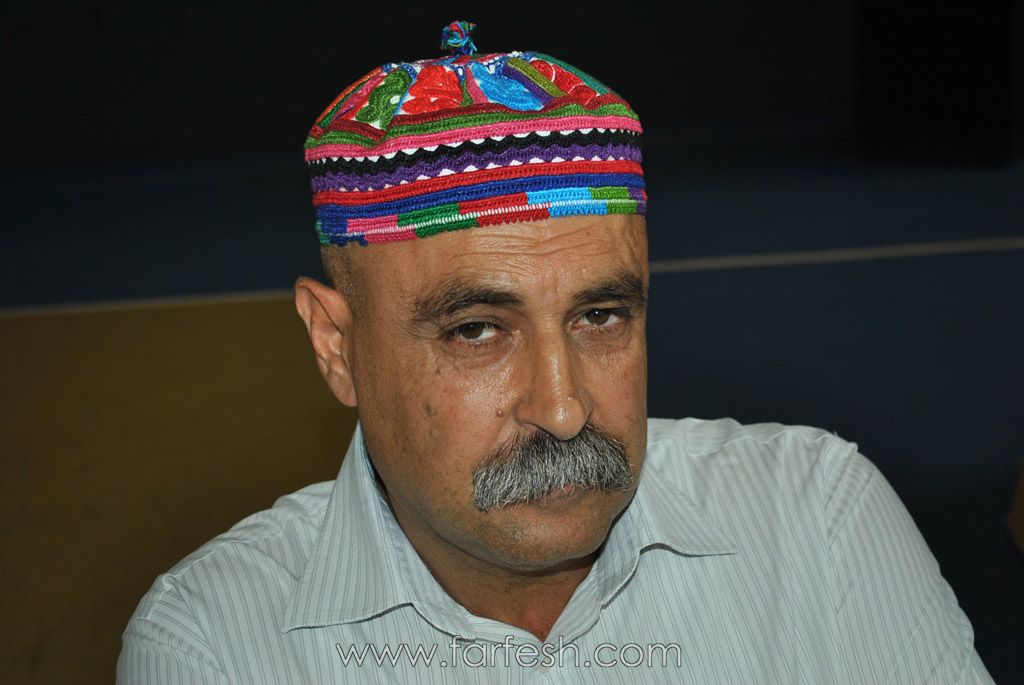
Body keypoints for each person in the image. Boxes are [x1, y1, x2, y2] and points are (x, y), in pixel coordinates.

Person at [117, 21, 993, 683]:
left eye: (600, 315)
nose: (565, 408)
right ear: (336, 346)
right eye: (475, 330)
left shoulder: (818, 519)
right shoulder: (216, 645)